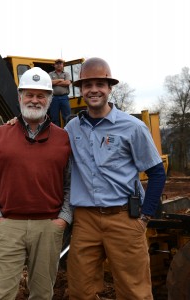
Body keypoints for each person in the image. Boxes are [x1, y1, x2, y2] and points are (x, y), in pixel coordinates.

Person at [64, 57, 166, 300]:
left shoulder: (132, 127)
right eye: (87, 85)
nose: (94, 90)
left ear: (110, 88)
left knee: (134, 292)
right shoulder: (71, 129)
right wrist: (19, 123)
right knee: (80, 291)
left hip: (124, 218)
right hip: (85, 221)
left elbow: (157, 172)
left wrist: (144, 218)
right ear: (81, 90)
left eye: (100, 84)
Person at [0, 67, 72, 300]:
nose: (34, 100)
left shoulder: (64, 139)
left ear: (49, 100)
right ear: (20, 98)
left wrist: (63, 219)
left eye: (41, 95)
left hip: (48, 228)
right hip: (8, 227)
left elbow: (71, 183)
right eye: (29, 94)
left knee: (42, 294)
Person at [49, 58, 71, 127]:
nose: (59, 65)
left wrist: (55, 82)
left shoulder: (66, 74)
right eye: (57, 63)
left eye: (60, 63)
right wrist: (61, 80)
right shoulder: (50, 74)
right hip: (54, 98)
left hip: (64, 98)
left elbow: (67, 83)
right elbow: (49, 83)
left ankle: (68, 132)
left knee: (67, 117)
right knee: (54, 117)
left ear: (63, 65)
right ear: (54, 65)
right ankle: (56, 134)